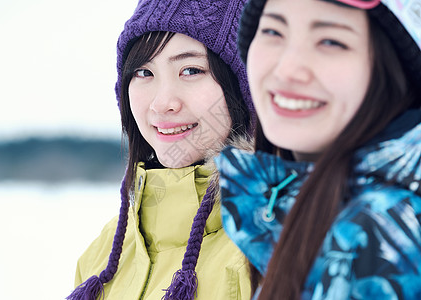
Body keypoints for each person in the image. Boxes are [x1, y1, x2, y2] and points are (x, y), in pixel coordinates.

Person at [215, 0, 421, 299]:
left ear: (393, 65)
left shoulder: (380, 233)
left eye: (330, 41)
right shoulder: (323, 206)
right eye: (273, 31)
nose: (287, 70)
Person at [67, 0, 255, 299]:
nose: (162, 103)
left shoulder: (275, 246)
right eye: (143, 72)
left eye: (191, 70)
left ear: (245, 86)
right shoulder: (102, 253)